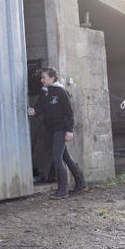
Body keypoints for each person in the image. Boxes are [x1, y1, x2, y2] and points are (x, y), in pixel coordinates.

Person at [27, 67, 89, 199]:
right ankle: (81, 184)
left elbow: (69, 113)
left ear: (52, 78)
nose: (42, 80)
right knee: (65, 157)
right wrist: (33, 111)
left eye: (44, 78)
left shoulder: (61, 91)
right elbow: (39, 108)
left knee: (57, 158)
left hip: (60, 129)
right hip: (51, 130)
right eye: (42, 78)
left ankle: (62, 191)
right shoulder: (44, 92)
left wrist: (69, 130)